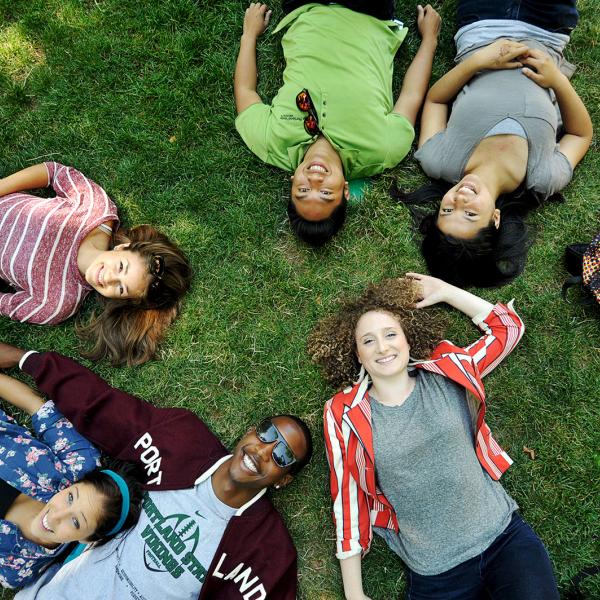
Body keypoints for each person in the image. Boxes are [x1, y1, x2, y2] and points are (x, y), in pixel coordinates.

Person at [308, 273, 561, 599]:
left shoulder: (447, 370)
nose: (382, 347)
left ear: (407, 339)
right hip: (436, 575)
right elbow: (348, 499)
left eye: (390, 334)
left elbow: (508, 329)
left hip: (504, 541)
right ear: (357, 354)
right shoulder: (344, 414)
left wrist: (444, 291)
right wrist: (354, 593)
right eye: (368, 341)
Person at [0, 341, 313, 599]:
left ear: (283, 480)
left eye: (282, 455)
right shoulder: (181, 443)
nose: (263, 451)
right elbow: (102, 405)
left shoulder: (266, 550)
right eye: (267, 434)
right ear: (249, 432)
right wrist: (26, 359)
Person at [395, 0, 592, 287]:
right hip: (547, 26)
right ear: (496, 218)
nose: (460, 200)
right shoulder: (542, 177)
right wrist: (557, 80)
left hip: (480, 23)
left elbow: (435, 100)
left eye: (447, 210)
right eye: (471, 213)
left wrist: (479, 61)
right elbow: (580, 135)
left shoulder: (439, 160)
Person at [234, 1, 441, 246]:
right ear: (344, 190)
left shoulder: (270, 142)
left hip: (305, 8)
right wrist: (430, 40)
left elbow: (245, 91)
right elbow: (411, 95)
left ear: (292, 183)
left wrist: (249, 34)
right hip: (369, 14)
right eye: (325, 193)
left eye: (302, 191)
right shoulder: (382, 149)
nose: (314, 181)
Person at [0, 162, 192, 365]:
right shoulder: (96, 210)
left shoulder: (57, 304)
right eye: (121, 267)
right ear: (123, 248)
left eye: (120, 288)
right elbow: (53, 171)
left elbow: (4, 304)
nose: (108, 278)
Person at [0, 372, 142, 589]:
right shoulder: (79, 465)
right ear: (74, 485)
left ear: (87, 539)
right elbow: (34, 405)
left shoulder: (16, 571)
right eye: (69, 498)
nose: (56, 515)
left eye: (76, 522)